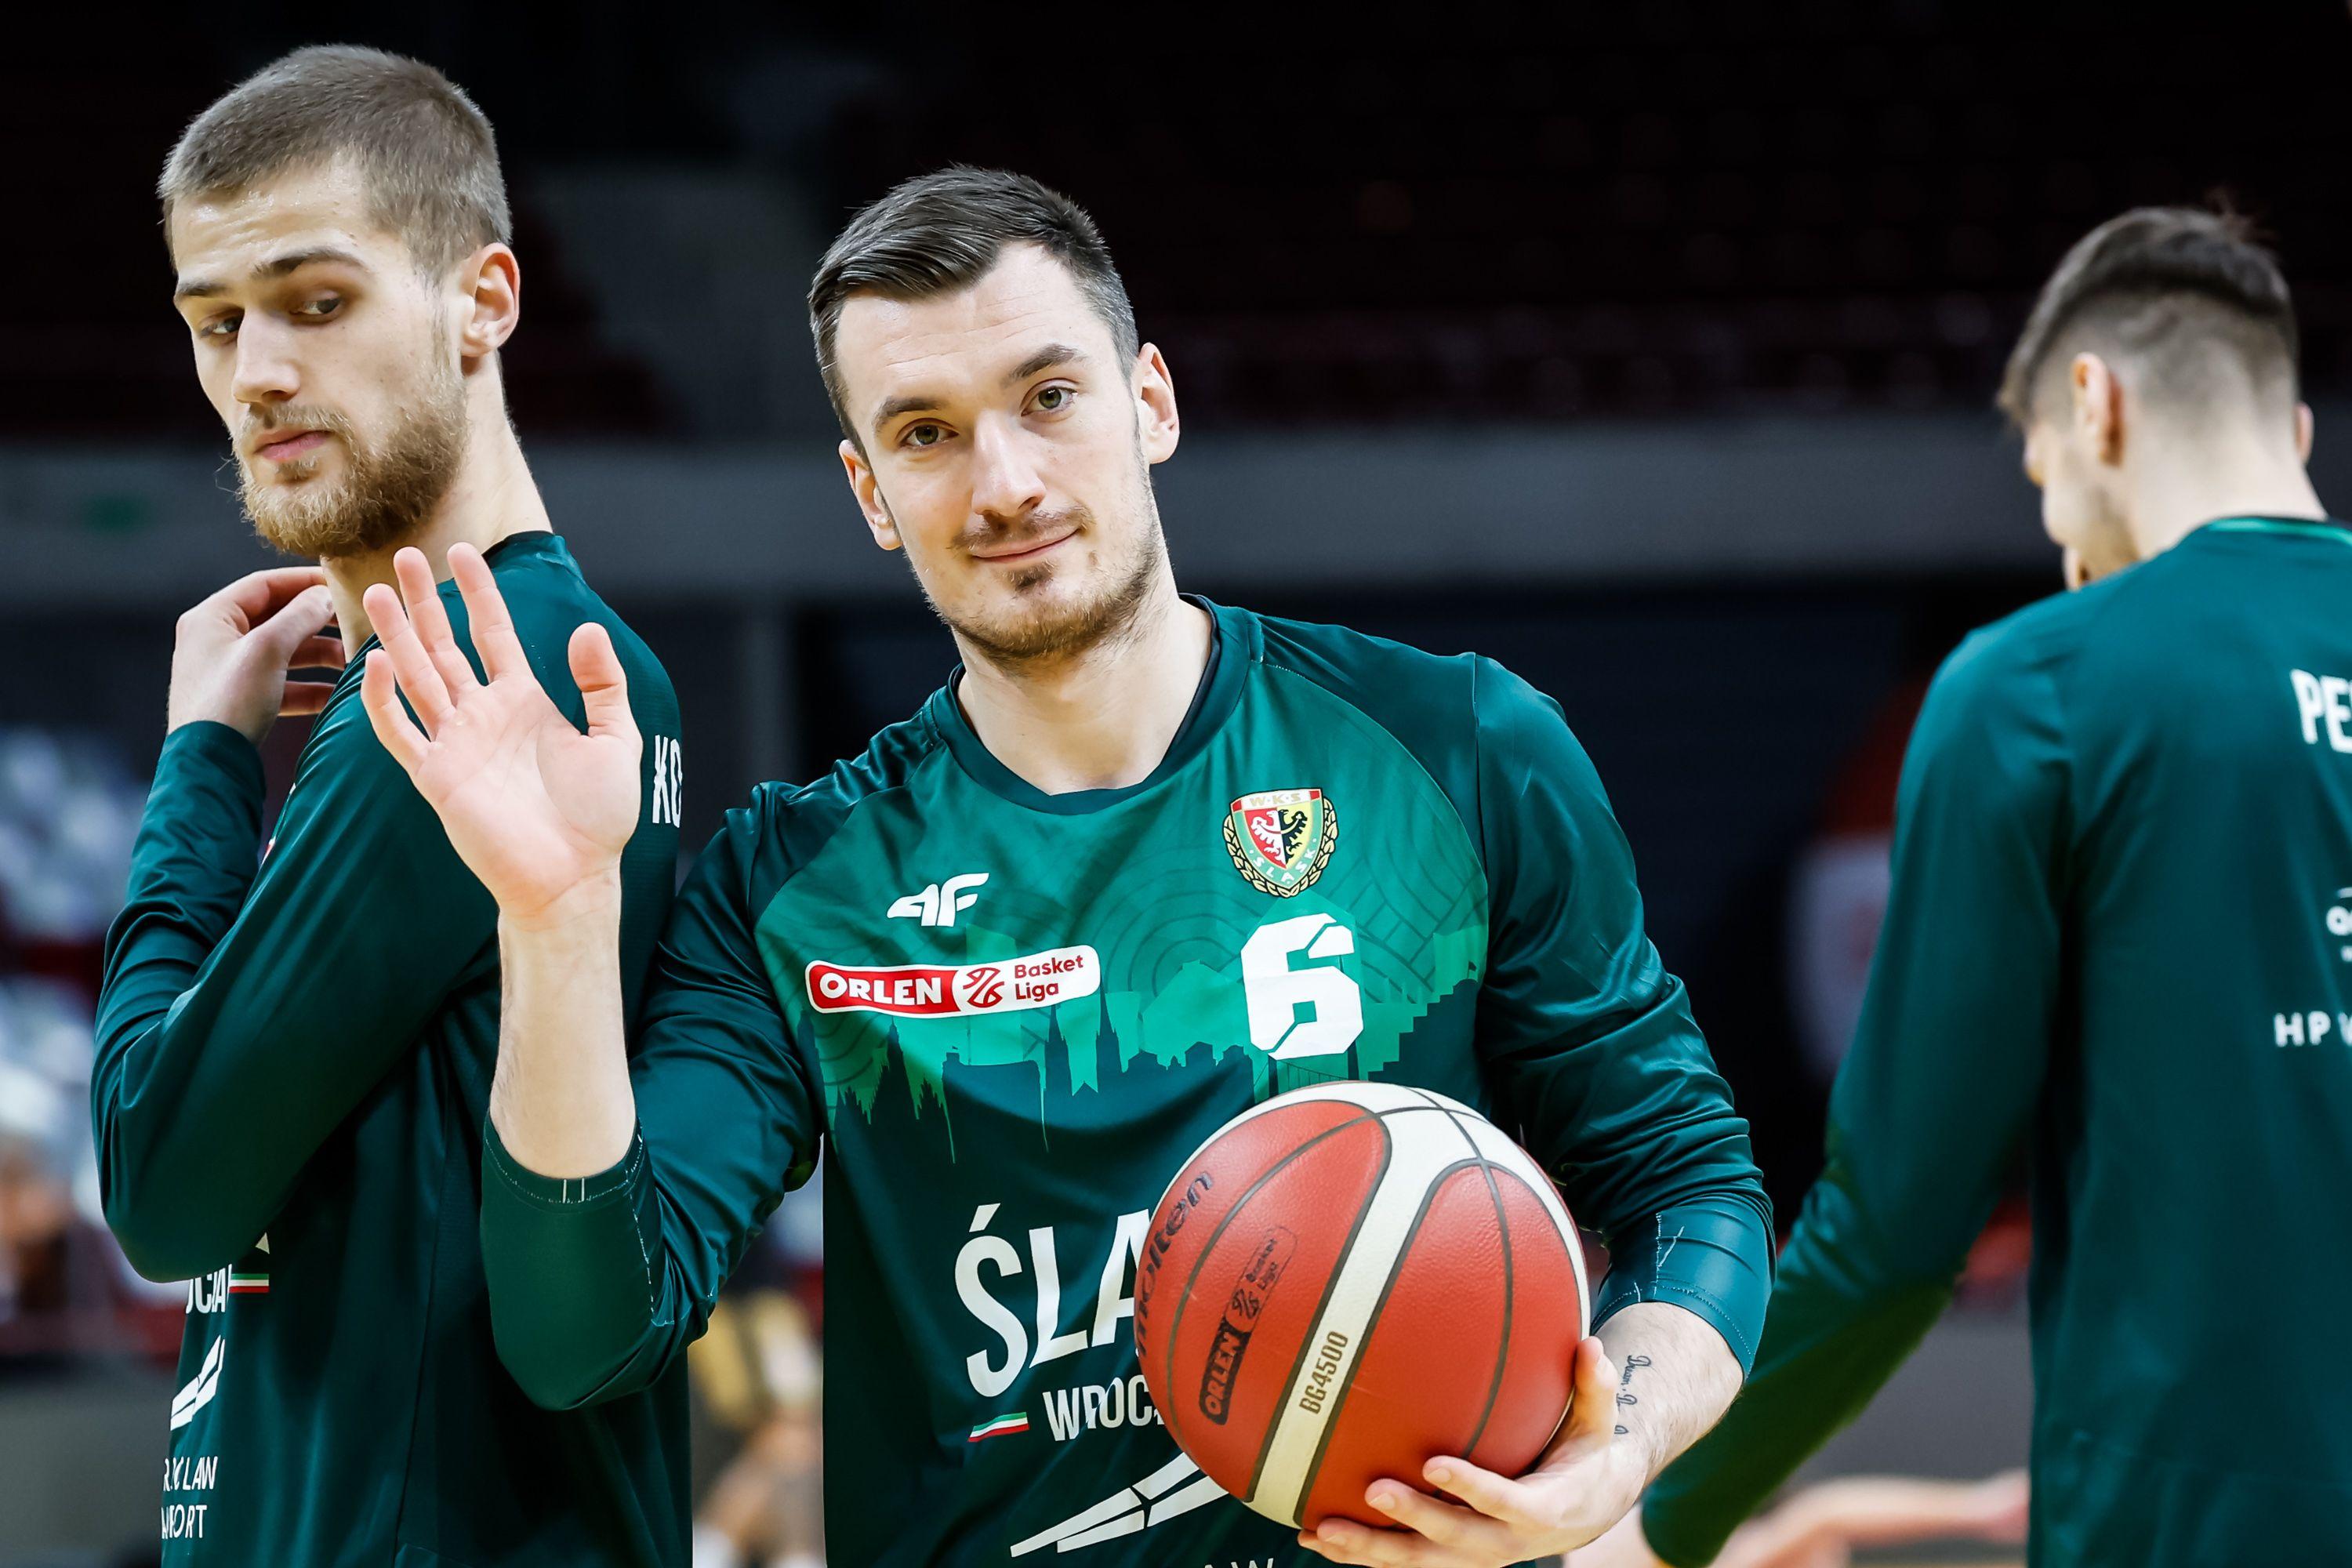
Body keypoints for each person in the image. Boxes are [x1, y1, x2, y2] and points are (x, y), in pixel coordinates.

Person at [358, 167, 1775, 1566]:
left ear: (1148, 400)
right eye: (925, 433)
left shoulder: (1455, 749)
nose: (1006, 484)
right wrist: (554, 919)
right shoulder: (794, 885)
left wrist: (1621, 1447)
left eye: (1049, 397)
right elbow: (584, 1339)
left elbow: (1689, 1183)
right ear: (868, 490)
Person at [1609, 206, 2352, 1566]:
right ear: (2293, 433)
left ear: (2093, 405)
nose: (2064, 538)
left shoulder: (2042, 685)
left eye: (2044, 480)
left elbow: (1897, 1225)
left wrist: (1663, 1514)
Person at [92, 45, 685, 1566]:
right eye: (215, 323)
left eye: (318, 300)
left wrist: (203, 767)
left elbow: (163, 1188)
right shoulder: (550, 659)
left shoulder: (474, 678)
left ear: (484, 299)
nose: (257, 373)